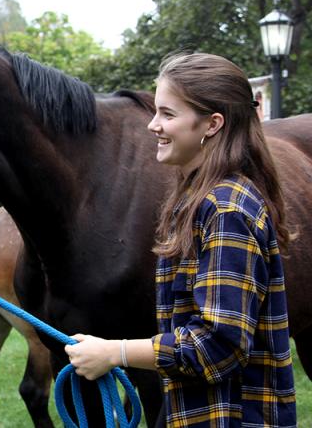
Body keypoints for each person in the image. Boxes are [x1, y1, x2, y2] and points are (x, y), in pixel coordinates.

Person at [64, 53, 296, 427]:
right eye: (156, 112)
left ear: (212, 124)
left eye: (168, 114)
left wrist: (114, 352)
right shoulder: (195, 201)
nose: (153, 125)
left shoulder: (227, 211)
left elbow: (220, 347)